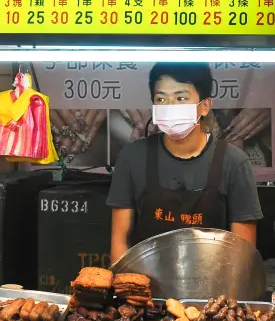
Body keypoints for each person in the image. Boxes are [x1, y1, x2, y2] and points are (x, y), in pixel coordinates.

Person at [107, 63, 263, 263]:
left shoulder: (234, 163)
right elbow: (120, 241)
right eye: (161, 99)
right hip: (145, 289)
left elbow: (244, 252)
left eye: (181, 98)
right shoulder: (132, 157)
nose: (170, 106)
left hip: (214, 289)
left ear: (205, 106)